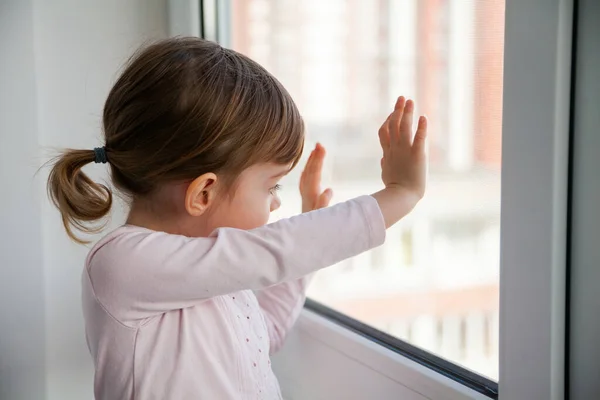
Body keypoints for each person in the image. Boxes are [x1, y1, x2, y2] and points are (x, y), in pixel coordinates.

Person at [47, 37, 427, 399]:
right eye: (272, 187)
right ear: (204, 194)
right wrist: (400, 194)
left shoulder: (204, 271)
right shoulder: (123, 264)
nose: (276, 205)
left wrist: (309, 237)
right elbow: (271, 253)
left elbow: (264, 333)